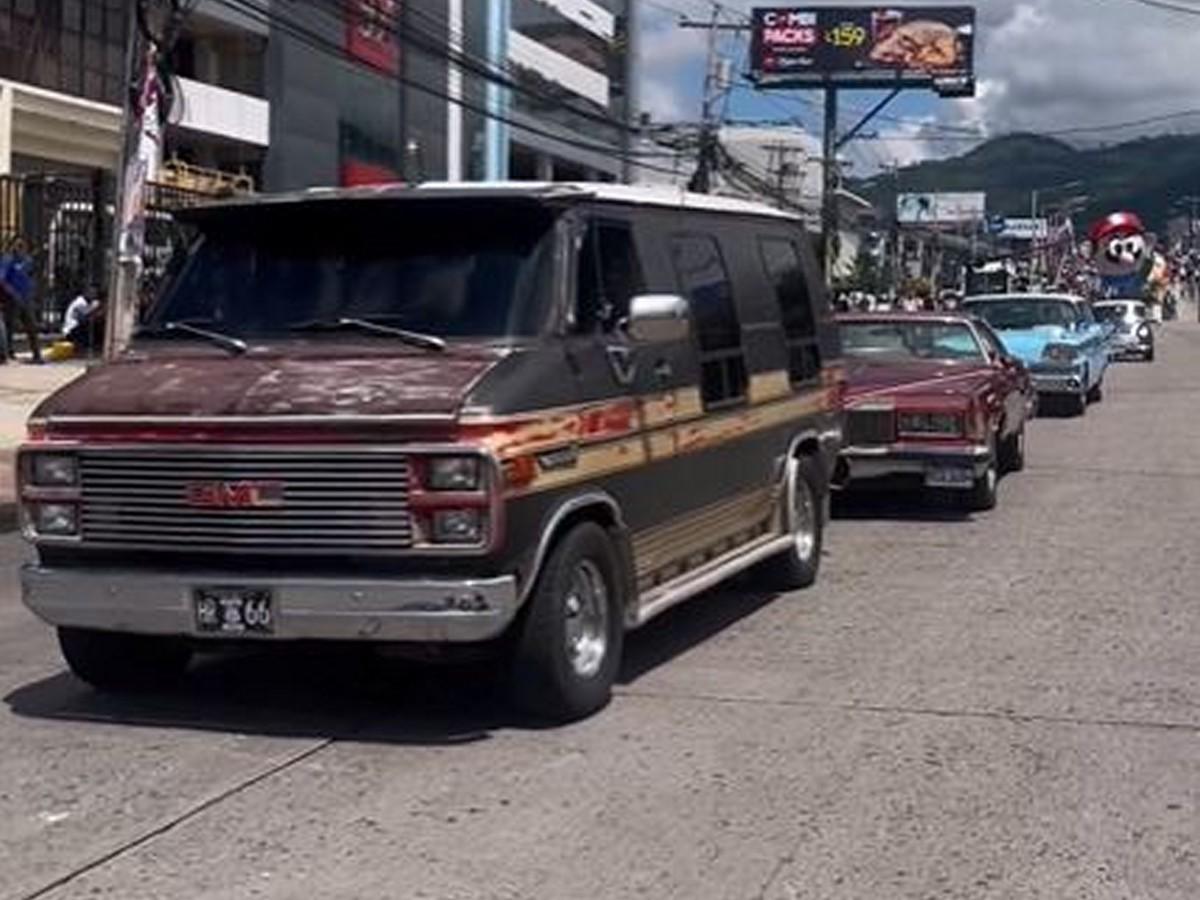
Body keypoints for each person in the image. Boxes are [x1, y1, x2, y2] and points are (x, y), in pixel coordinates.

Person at [0, 237, 42, 363]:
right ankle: (8, 353)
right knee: (10, 327)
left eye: (22, 245)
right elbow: (2, 280)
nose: (20, 248)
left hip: (27, 298)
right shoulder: (8, 260)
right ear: (12, 246)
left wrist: (33, 290)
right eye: (17, 245)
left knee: (32, 326)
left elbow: (31, 275)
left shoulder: (28, 260)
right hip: (13, 299)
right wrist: (13, 293)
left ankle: (37, 354)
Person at [62, 287, 103, 354]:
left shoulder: (86, 303)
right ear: (86, 294)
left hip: (76, 328)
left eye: (95, 294)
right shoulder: (80, 302)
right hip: (71, 330)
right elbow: (84, 313)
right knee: (89, 327)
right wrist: (94, 307)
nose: (94, 296)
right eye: (92, 294)